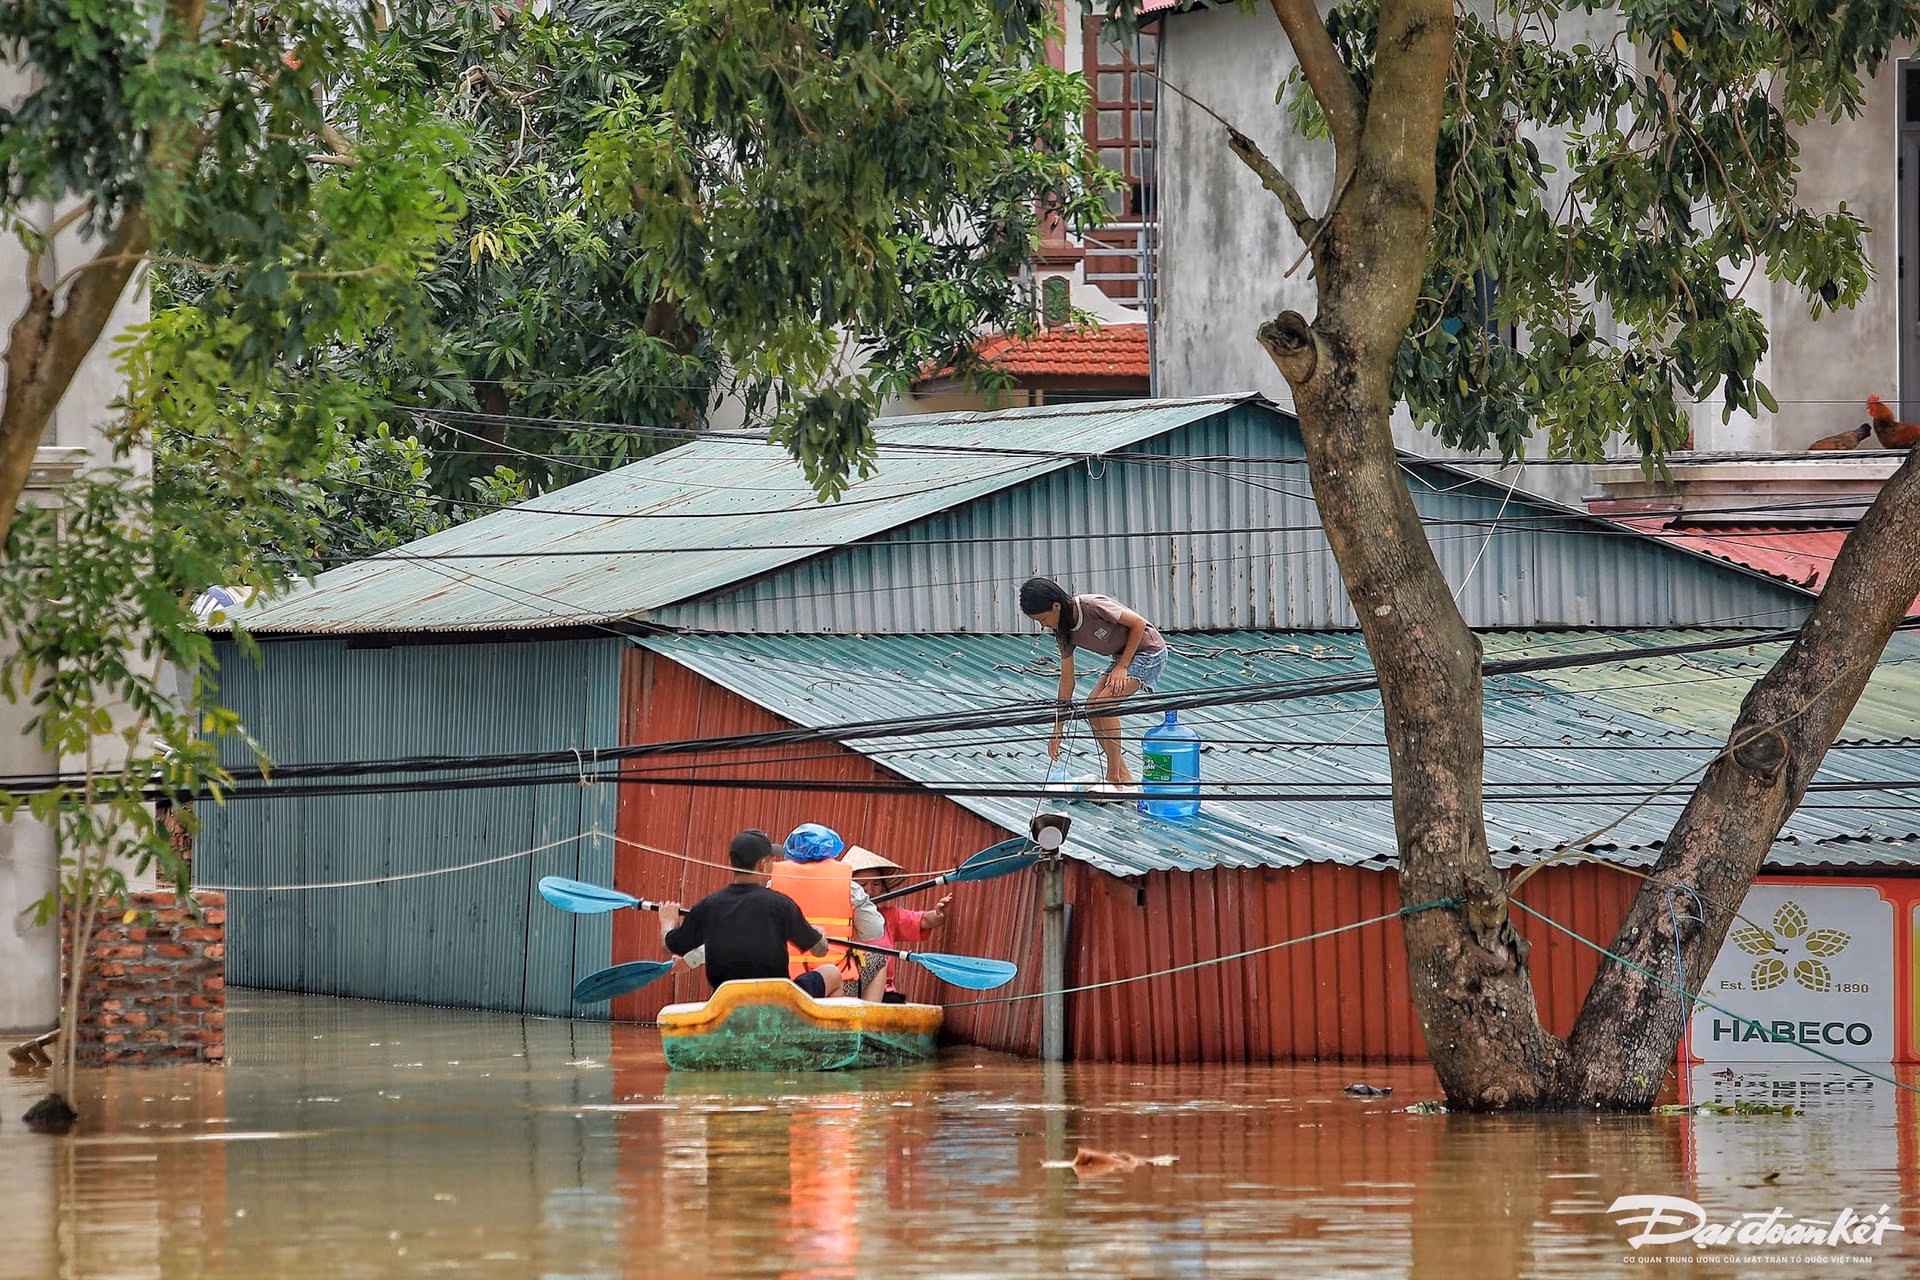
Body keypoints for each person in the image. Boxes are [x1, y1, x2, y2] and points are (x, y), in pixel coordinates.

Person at [1018, 577, 1169, 790]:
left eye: (1042, 618)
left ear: (1056, 606)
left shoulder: (1091, 606)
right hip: (1122, 657)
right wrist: (1058, 729)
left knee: (1105, 705)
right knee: (1091, 708)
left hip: (1148, 651)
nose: (1043, 625)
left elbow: (1138, 624)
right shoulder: (1063, 632)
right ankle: (1125, 777)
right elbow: (1067, 680)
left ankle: (1114, 778)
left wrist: (1122, 667)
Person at [659, 828, 843, 998]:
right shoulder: (781, 904)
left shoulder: (707, 906)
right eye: (771, 861)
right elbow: (820, 950)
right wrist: (818, 935)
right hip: (776, 1000)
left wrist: (668, 922)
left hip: (726, 1000)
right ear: (762, 864)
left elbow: (670, 946)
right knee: (832, 974)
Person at [767, 823, 884, 989]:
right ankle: (864, 1007)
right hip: (835, 981)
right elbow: (874, 931)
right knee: (878, 958)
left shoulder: (772, 884)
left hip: (782, 980)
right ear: (831, 850)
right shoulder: (850, 887)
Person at [844, 847, 951, 1003]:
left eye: (876, 884)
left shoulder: (890, 917)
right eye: (862, 885)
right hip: (847, 988)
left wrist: (939, 913)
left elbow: (925, 921)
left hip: (884, 992)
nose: (869, 891)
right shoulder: (839, 918)